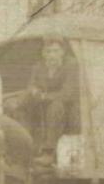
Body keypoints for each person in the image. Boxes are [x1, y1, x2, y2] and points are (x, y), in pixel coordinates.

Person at [4, 35, 78, 166]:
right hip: (44, 105)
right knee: (15, 107)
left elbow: (67, 94)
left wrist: (44, 96)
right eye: (48, 52)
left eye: (55, 51)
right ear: (44, 54)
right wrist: (22, 100)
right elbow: (31, 86)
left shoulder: (71, 65)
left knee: (56, 107)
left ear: (62, 52)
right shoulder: (39, 67)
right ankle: (22, 147)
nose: (52, 55)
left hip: (68, 109)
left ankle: (48, 153)